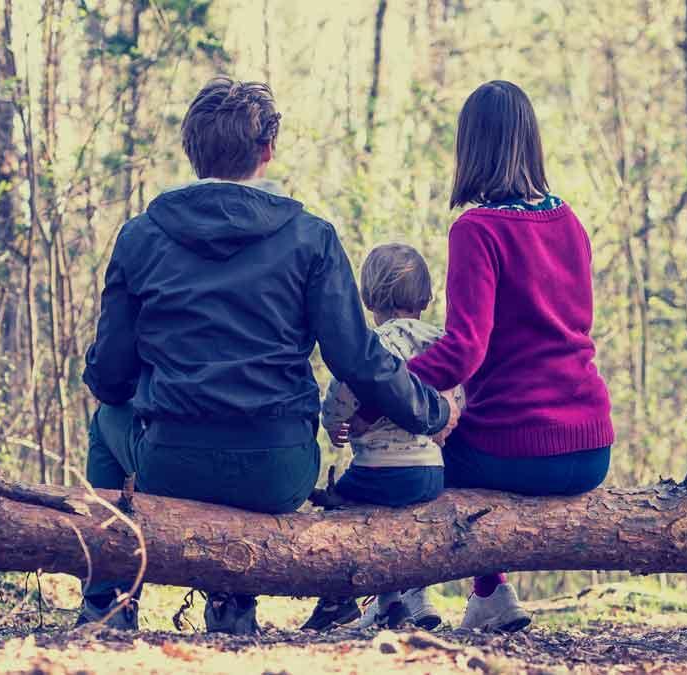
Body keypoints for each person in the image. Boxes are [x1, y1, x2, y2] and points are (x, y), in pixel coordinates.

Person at [79, 76, 457, 634]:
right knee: (238, 446)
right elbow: (357, 359)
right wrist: (431, 411)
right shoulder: (312, 237)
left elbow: (109, 378)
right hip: (279, 469)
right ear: (268, 150)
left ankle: (109, 603)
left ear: (192, 150)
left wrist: (153, 388)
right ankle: (234, 600)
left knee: (105, 424)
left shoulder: (141, 237)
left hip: (170, 461)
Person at [362, 81, 615, 632]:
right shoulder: (570, 222)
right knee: (459, 435)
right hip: (593, 446)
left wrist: (382, 387)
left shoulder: (478, 230)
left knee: (407, 463)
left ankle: (402, 598)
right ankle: (491, 596)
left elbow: (462, 352)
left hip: (518, 447)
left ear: (470, 147)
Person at [300, 244, 466, 633]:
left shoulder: (373, 345)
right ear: (426, 297)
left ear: (368, 296)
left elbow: (345, 389)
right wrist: (444, 426)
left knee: (339, 507)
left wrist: (334, 422)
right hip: (429, 473)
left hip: (379, 470)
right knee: (405, 523)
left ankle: (338, 602)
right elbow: (456, 394)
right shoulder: (440, 342)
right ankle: (401, 601)